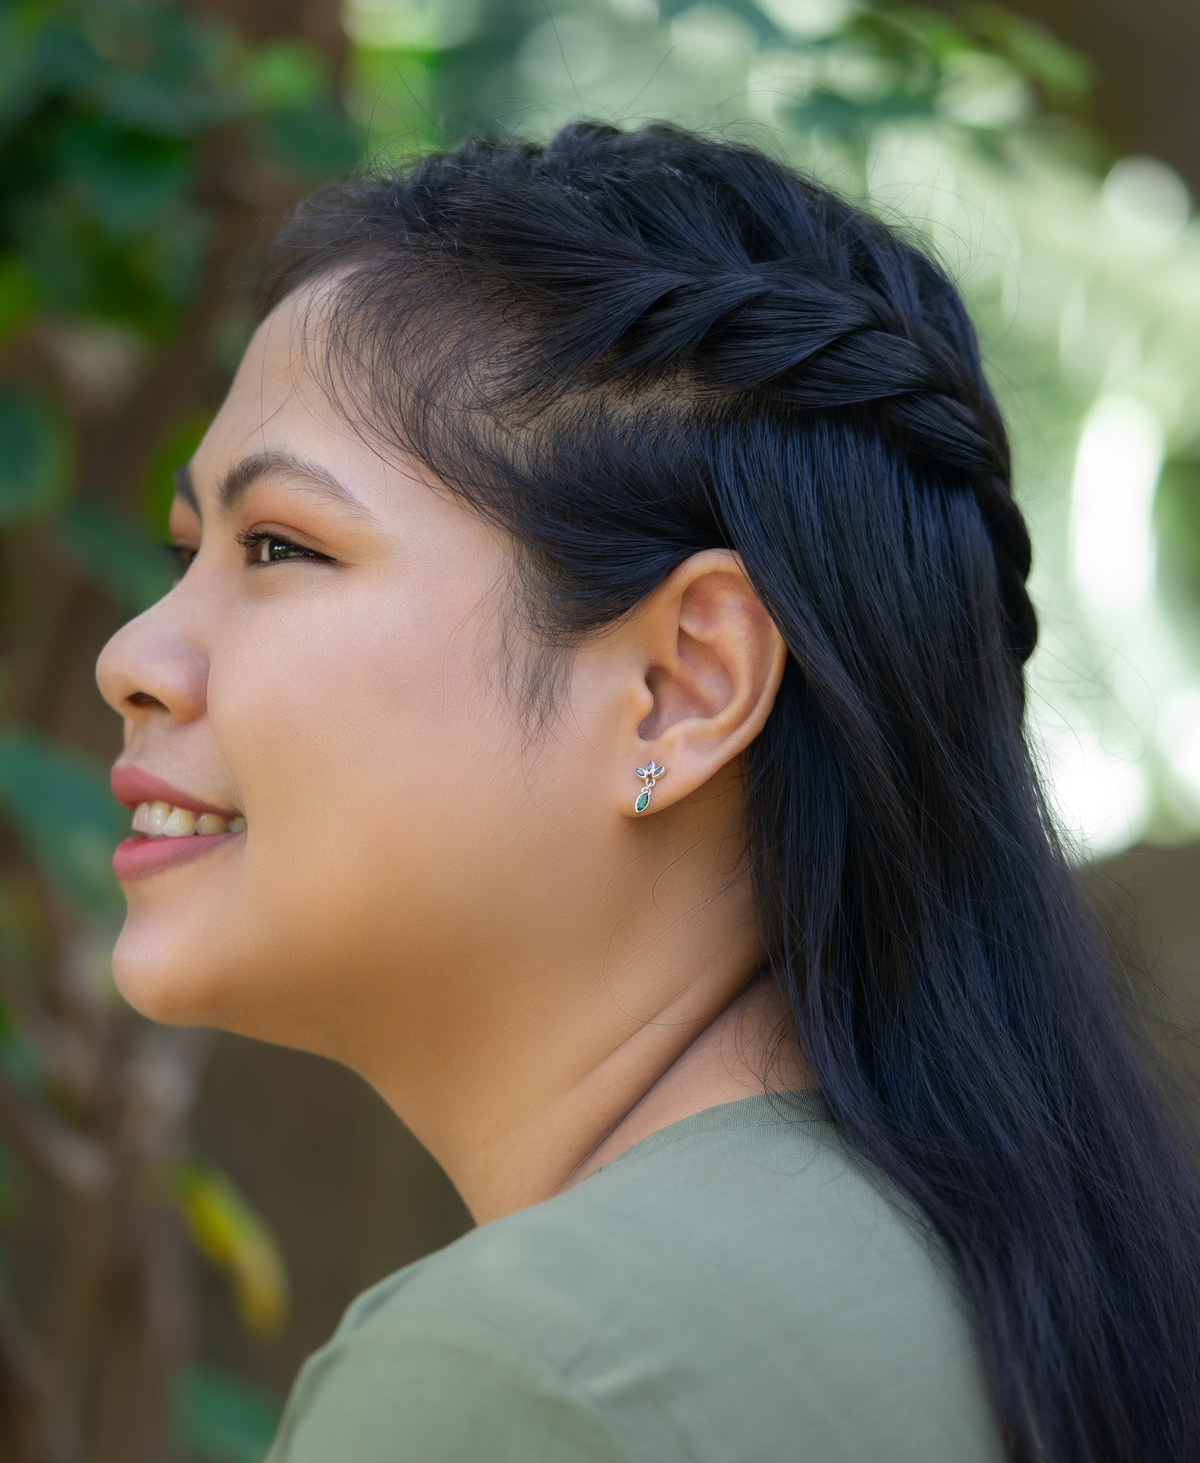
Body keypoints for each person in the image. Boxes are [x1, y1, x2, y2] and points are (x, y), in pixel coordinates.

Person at [96, 122, 1200, 1462]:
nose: (131, 658)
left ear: (684, 685)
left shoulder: (533, 1375)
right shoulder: (1031, 1286)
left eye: (279, 546)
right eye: (186, 551)